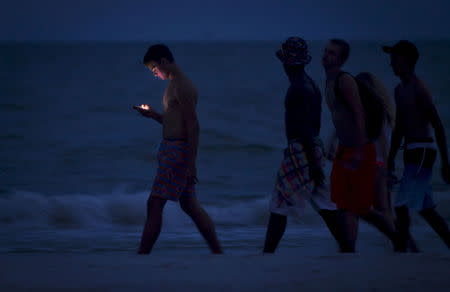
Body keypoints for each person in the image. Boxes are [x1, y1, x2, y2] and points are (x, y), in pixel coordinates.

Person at [135, 44, 222, 254]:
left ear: (164, 61)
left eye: (154, 68)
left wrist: (191, 164)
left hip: (177, 153)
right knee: (189, 204)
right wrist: (153, 115)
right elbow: (174, 123)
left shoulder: (183, 86)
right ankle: (217, 252)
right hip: (172, 150)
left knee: (155, 203)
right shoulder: (172, 86)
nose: (155, 74)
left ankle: (142, 254)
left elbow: (193, 126)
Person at [263, 37, 342, 253]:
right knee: (324, 204)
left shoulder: (298, 88)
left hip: (301, 150)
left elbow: (305, 128)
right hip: (311, 148)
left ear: (288, 62)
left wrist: (313, 165)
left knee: (279, 203)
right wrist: (315, 162)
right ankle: (347, 247)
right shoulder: (309, 84)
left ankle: (267, 253)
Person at [322, 39, 400, 252]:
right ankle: (349, 249)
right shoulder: (329, 82)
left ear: (341, 59)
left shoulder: (345, 81)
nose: (326, 55)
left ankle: (395, 237)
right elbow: (341, 118)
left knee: (358, 207)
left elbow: (359, 114)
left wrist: (358, 150)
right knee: (343, 205)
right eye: (326, 51)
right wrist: (332, 144)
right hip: (343, 150)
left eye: (332, 53)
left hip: (360, 150)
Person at [383, 40, 450, 251]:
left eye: (394, 58)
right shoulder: (399, 90)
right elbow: (399, 129)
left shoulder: (419, 89)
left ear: (406, 60)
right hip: (411, 153)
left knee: (401, 205)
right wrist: (390, 159)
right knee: (425, 208)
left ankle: (402, 251)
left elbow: (438, 126)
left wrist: (446, 163)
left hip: (423, 152)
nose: (391, 63)